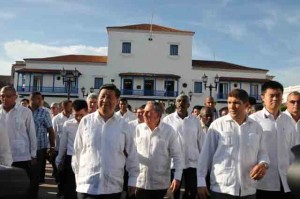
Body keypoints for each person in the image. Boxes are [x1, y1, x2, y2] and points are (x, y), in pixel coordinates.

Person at [198, 89, 270, 199]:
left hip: (248, 189)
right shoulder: (217, 126)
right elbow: (205, 155)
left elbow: (263, 152)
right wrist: (201, 181)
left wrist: (263, 164)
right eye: (229, 102)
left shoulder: (256, 127)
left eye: (236, 103)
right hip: (222, 189)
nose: (231, 106)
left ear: (246, 105)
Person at [72, 84, 139, 199]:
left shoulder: (123, 125)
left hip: (112, 188)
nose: (105, 100)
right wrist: (79, 179)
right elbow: (77, 152)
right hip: (87, 187)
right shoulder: (86, 121)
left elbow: (132, 156)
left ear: (117, 101)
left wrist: (133, 180)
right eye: (102, 96)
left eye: (109, 97)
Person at [250, 81, 300, 199]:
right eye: (271, 95)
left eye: (278, 95)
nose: (275, 99)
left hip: (287, 181)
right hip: (262, 182)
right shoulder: (253, 121)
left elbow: (294, 150)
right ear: (263, 97)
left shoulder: (288, 121)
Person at [135, 101, 183, 199]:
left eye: (148, 112)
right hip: (140, 183)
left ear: (157, 114)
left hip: (161, 185)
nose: (144, 114)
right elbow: (131, 154)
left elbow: (177, 156)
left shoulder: (169, 131)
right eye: (144, 111)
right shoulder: (137, 129)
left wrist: (177, 177)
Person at [163, 94, 204, 199]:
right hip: (174, 164)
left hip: (192, 164)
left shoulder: (195, 121)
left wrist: (202, 162)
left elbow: (201, 142)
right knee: (174, 193)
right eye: (179, 101)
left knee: (191, 193)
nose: (181, 103)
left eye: (184, 101)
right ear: (176, 103)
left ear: (188, 104)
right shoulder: (168, 120)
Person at [0, 86, 37, 199]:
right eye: (2, 96)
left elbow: (31, 133)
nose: (4, 98)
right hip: (2, 159)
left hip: (20, 157)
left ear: (15, 97)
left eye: (8, 96)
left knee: (22, 188)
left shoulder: (25, 112)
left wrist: (33, 154)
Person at [56, 99, 88, 199]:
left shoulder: (92, 124)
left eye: (81, 115)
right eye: (76, 115)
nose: (78, 118)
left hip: (86, 159)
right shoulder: (68, 124)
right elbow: (63, 144)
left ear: (86, 111)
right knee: (70, 189)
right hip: (70, 159)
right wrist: (59, 158)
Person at [29, 92, 55, 184]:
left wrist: (52, 147)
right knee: (26, 172)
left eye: (41, 99)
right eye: (38, 99)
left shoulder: (44, 113)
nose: (40, 101)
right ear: (31, 99)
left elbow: (50, 130)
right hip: (25, 147)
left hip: (39, 147)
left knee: (36, 173)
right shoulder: (24, 111)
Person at [52, 99, 73, 197]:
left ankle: (68, 190)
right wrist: (52, 147)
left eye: (70, 105)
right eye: (67, 106)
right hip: (59, 148)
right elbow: (53, 133)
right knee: (60, 172)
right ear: (63, 107)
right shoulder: (56, 119)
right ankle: (60, 189)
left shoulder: (74, 117)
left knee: (68, 172)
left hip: (70, 150)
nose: (70, 108)